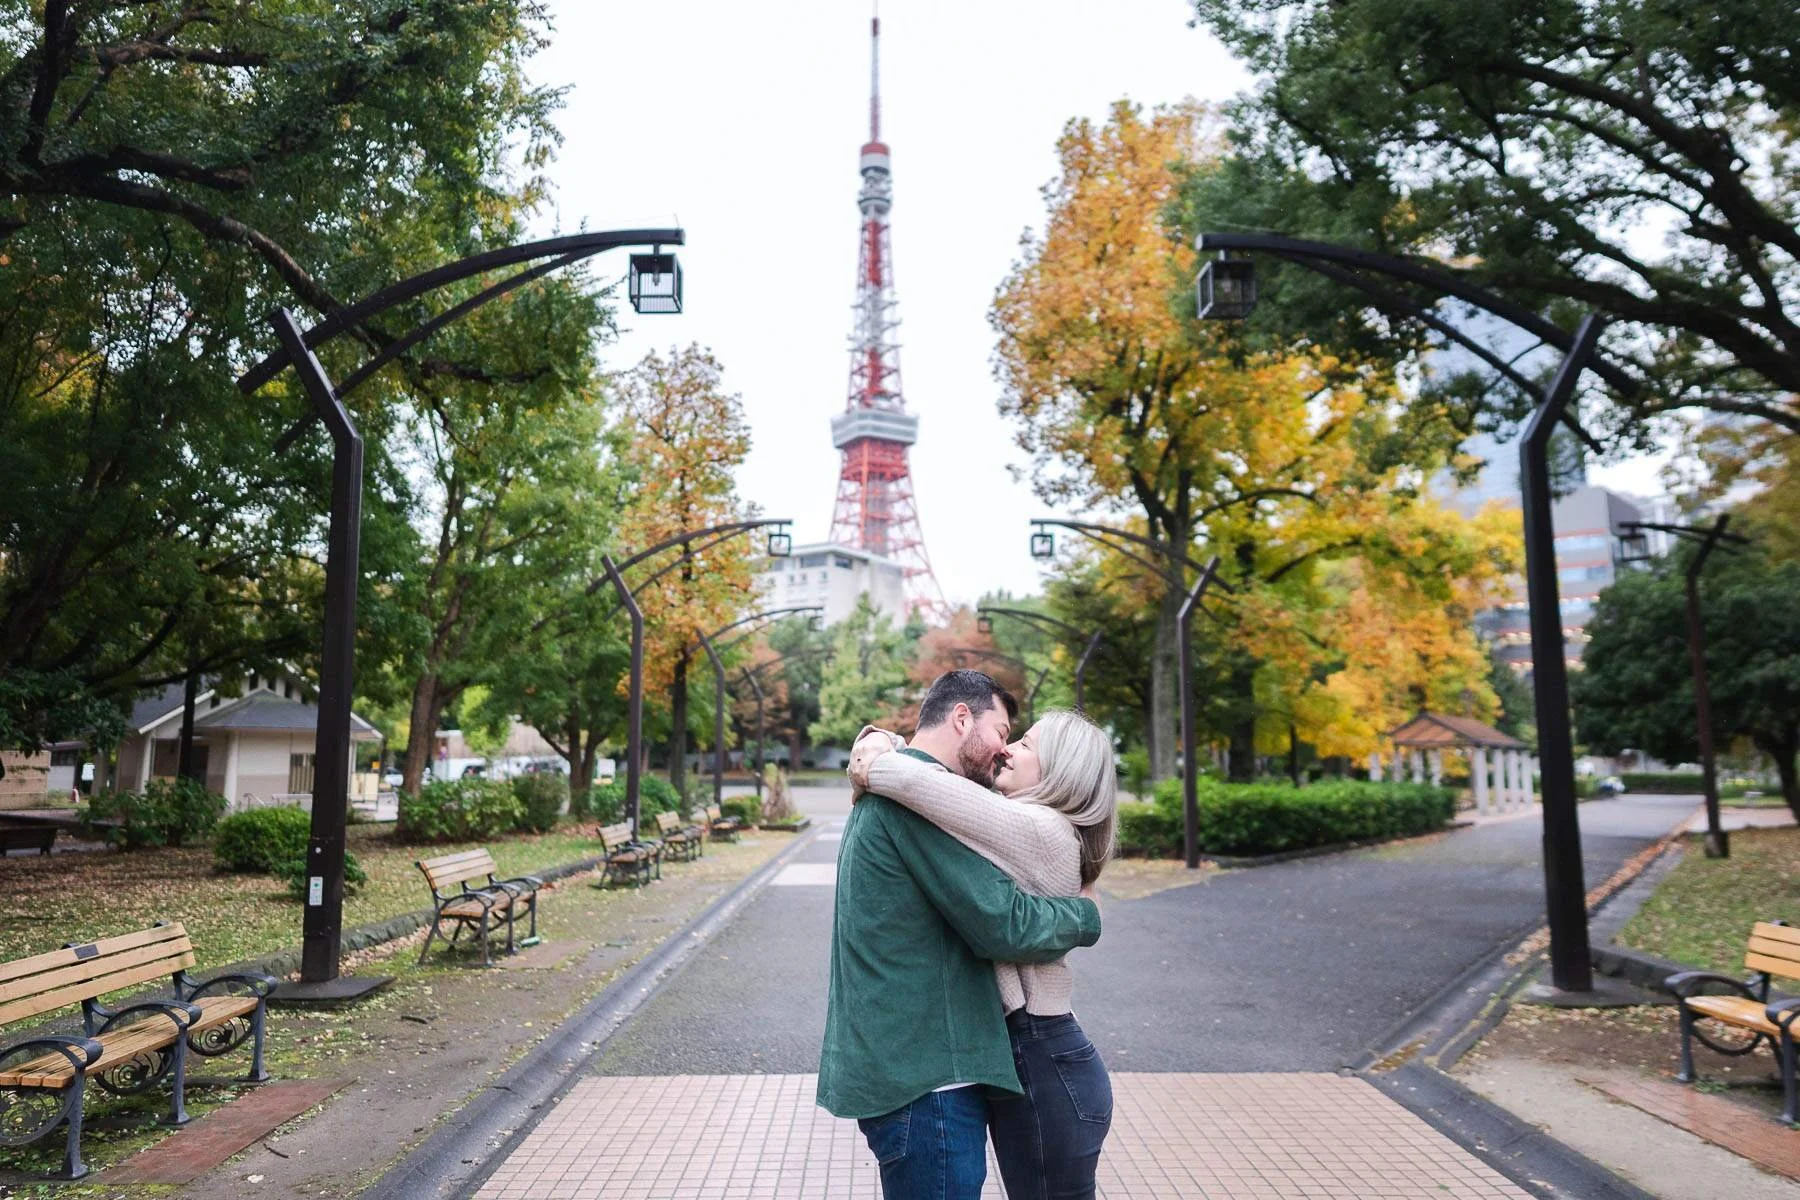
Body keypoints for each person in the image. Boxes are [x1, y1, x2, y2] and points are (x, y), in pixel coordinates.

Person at [817, 670, 1103, 1200]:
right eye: (1002, 730)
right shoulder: (912, 805)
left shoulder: (904, 794)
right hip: (929, 1078)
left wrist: (879, 744)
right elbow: (1005, 923)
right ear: (962, 718)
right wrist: (1087, 915)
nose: (1004, 748)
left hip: (916, 1068)